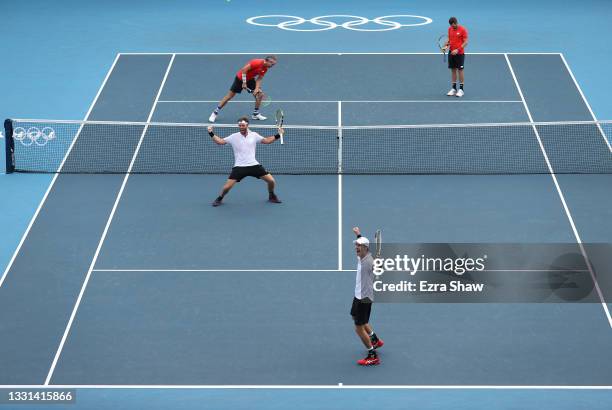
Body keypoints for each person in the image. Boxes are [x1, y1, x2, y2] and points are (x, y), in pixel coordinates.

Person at [208, 117, 283, 206]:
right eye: (239, 125)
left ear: (247, 125)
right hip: (239, 167)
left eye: (243, 125)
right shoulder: (233, 136)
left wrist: (278, 135)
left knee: (271, 181)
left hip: (254, 165)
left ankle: (271, 195)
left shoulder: (254, 135)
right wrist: (211, 132)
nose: (241, 127)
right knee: (227, 187)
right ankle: (219, 198)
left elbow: (266, 141)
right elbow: (220, 142)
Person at [208, 56, 278, 123]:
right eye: (272, 63)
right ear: (267, 61)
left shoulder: (265, 68)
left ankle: (255, 114)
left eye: (273, 64)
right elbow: (244, 70)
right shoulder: (256, 62)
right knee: (229, 96)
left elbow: (259, 79)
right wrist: (244, 82)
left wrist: (257, 89)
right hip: (240, 78)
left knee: (259, 94)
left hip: (250, 79)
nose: (272, 65)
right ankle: (215, 112)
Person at [351, 227, 384, 366]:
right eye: (356, 245)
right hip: (358, 294)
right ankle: (374, 339)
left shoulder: (369, 262)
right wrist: (358, 234)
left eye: (359, 246)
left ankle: (372, 355)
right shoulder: (362, 255)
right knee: (355, 317)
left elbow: (378, 270)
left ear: (365, 248)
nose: (356, 247)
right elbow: (362, 242)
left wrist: (378, 266)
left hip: (364, 298)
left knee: (358, 327)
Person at [444, 17, 468, 97]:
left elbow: (466, 42)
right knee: (453, 70)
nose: (453, 27)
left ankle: (461, 89)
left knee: (460, 70)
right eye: (451, 26)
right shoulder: (450, 29)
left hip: (460, 53)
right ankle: (454, 89)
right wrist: (446, 45)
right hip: (451, 52)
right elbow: (449, 40)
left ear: (456, 23)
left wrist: (458, 50)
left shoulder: (463, 30)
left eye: (454, 25)